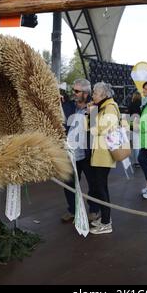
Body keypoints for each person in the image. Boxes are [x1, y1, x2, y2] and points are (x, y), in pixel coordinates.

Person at [61, 79, 100, 223]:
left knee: (93, 183)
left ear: (86, 93)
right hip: (70, 153)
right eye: (73, 90)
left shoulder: (94, 107)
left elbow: (97, 129)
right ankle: (73, 209)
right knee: (68, 182)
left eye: (77, 91)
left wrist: (92, 114)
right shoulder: (68, 105)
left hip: (87, 153)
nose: (74, 94)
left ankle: (94, 210)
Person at [88, 82, 120, 235]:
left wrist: (92, 113)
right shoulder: (102, 107)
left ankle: (107, 223)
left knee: (102, 189)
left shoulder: (110, 108)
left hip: (104, 155)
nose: (92, 95)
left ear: (103, 95)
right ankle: (105, 219)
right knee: (100, 187)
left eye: (95, 93)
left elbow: (99, 129)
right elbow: (89, 127)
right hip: (100, 154)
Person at [128, 91, 142, 167]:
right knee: (140, 143)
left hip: (133, 125)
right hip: (140, 124)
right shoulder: (141, 105)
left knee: (135, 144)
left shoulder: (131, 104)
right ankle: (141, 160)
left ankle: (136, 161)